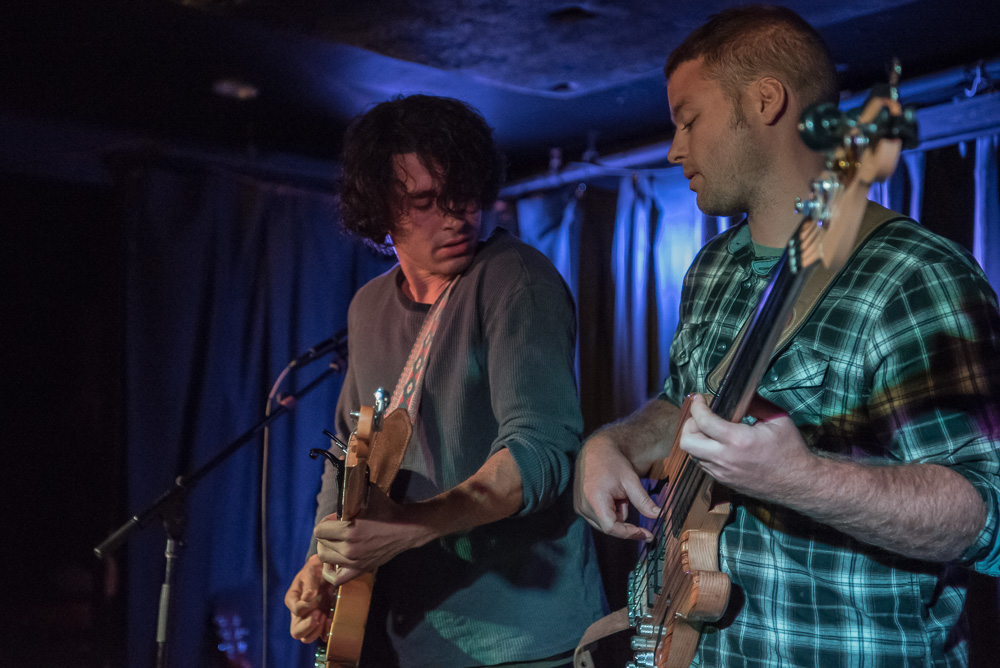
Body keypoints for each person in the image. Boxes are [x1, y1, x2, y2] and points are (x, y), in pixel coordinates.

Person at [574, 5, 1000, 666]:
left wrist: (803, 479)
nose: (673, 147)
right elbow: (680, 408)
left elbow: (983, 513)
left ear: (765, 101)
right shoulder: (713, 268)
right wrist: (612, 443)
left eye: (689, 119)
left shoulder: (914, 274)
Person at [284, 94, 605, 667]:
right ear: (380, 207)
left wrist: (412, 525)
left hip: (522, 640)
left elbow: (542, 452)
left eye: (464, 193)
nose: (457, 214)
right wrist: (322, 561)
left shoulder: (516, 280)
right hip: (408, 634)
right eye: (426, 201)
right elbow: (347, 456)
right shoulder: (368, 307)